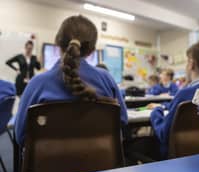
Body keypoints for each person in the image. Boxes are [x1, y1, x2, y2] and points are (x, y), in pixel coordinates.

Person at [14, 15, 128, 146]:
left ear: (57, 42)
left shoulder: (37, 84)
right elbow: (122, 120)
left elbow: (20, 136)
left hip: (48, 165)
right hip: (102, 163)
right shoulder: (106, 80)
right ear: (92, 51)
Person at [149, 39, 199, 158]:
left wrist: (156, 112)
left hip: (178, 160)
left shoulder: (185, 93)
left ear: (191, 64)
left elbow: (163, 133)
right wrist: (164, 106)